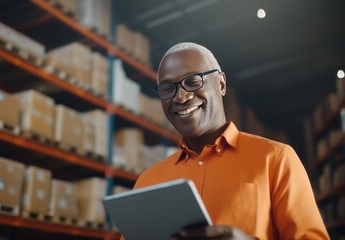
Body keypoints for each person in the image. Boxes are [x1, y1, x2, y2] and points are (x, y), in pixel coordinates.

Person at [132, 42, 329, 239]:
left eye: (193, 81)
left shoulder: (275, 159)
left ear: (221, 84)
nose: (181, 97)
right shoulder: (147, 183)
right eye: (168, 88)